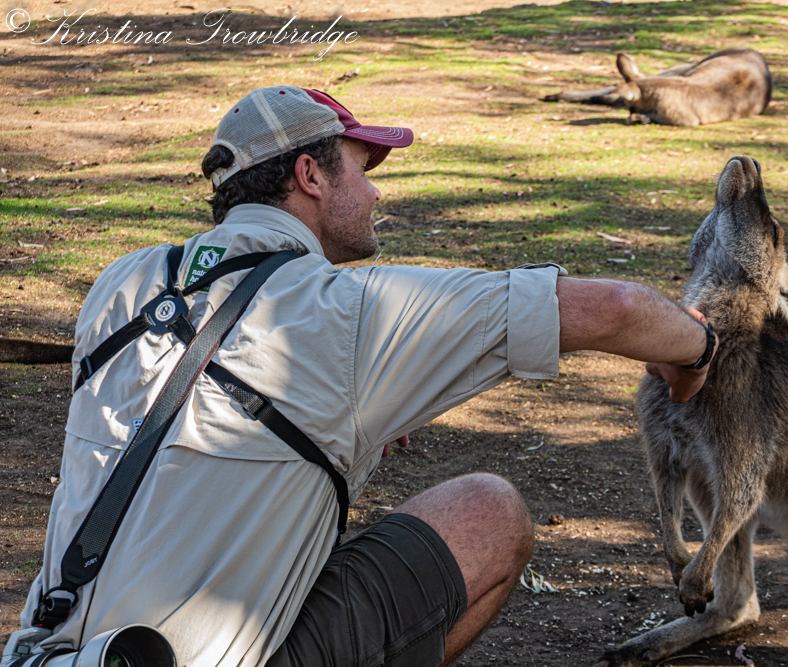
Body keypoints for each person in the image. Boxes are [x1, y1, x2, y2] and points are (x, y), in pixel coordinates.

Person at [15, 87, 718, 667]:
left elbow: (190, 413)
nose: (376, 190)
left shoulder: (120, 284)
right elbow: (616, 308)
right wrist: (699, 351)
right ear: (310, 176)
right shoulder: (344, 311)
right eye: (361, 166)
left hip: (49, 650)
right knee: (489, 512)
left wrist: (341, 425)